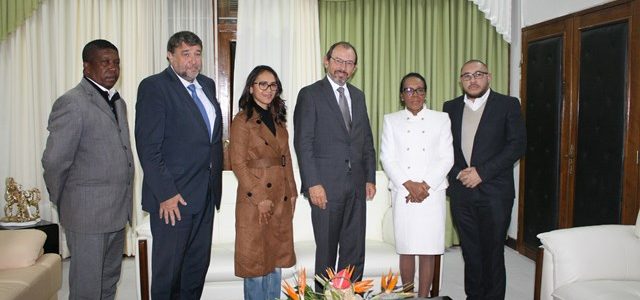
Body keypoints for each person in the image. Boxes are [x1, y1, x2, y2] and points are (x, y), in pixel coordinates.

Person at [42, 39, 134, 300]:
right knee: (86, 289)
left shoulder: (118, 102)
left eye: (116, 63)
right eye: (105, 62)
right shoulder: (72, 103)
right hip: (86, 216)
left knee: (108, 284)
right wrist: (64, 201)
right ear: (86, 67)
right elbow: (53, 161)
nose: (112, 68)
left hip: (116, 213)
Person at [135, 31, 223, 299]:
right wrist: (166, 194)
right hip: (173, 200)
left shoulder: (206, 85)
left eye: (197, 54)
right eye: (185, 54)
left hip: (205, 196)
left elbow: (210, 141)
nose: (193, 61)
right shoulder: (154, 87)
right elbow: (149, 148)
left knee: (195, 270)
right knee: (168, 274)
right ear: (170, 56)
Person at [294, 41, 377, 290]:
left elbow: (366, 141)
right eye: (338, 61)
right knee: (327, 253)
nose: (343, 67)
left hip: (356, 188)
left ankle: (349, 295)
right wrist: (312, 184)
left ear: (355, 67)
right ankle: (323, 296)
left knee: (354, 252)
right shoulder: (310, 94)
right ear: (326, 61)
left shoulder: (358, 96)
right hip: (325, 189)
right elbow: (303, 143)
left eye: (349, 63)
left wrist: (370, 178)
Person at [442, 59, 526, 300]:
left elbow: (516, 145)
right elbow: (444, 148)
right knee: (470, 250)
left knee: (493, 251)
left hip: (495, 192)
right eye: (467, 76)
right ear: (460, 81)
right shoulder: (450, 107)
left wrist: (482, 172)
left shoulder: (508, 104)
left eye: (478, 74)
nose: (473, 79)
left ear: (489, 77)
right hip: (461, 192)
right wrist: (459, 172)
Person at [380, 73, 453, 297]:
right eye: (409, 90)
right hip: (404, 192)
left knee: (429, 249)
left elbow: (446, 158)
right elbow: (387, 158)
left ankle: (424, 297)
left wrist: (425, 186)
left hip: (432, 192)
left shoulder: (441, 118)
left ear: (425, 93)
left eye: (420, 90)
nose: (415, 95)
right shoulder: (391, 120)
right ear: (402, 95)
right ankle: (408, 295)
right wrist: (410, 185)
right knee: (407, 249)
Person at [229, 65, 298, 299]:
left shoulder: (278, 121)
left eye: (273, 85)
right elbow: (237, 164)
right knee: (257, 265)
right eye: (262, 84)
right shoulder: (241, 121)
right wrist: (260, 198)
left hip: (279, 198)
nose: (268, 89)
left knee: (274, 262)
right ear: (251, 88)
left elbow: (286, 158)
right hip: (255, 201)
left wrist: (293, 192)